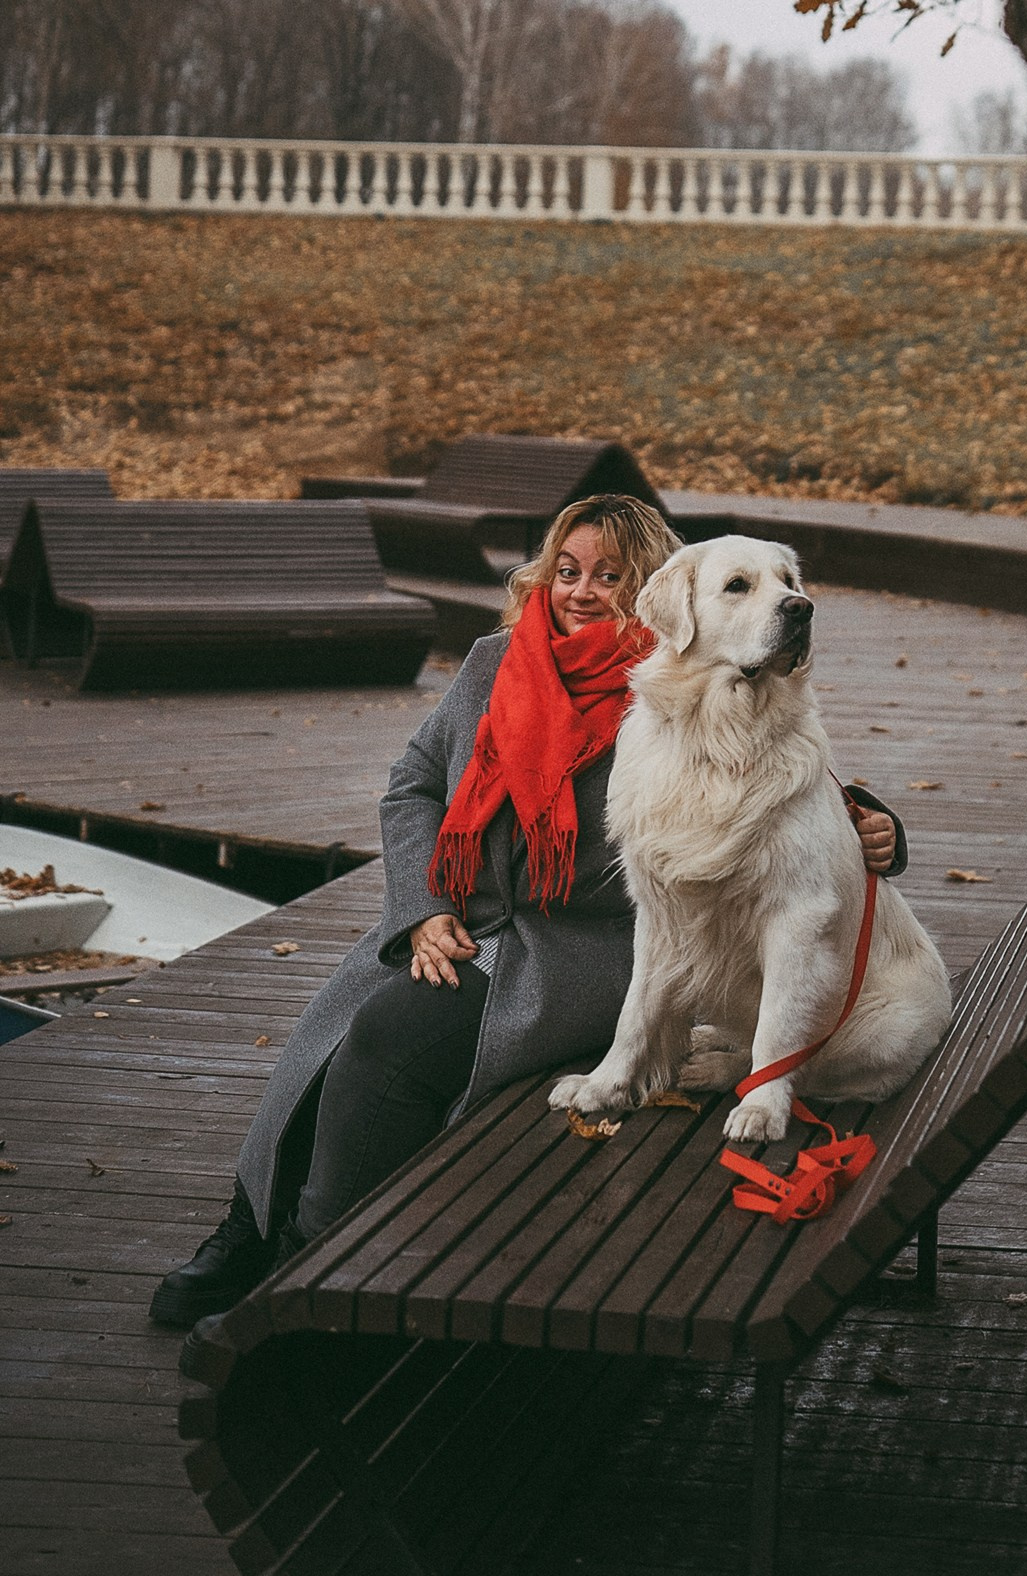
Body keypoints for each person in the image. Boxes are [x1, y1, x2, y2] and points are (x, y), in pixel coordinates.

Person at [151, 493, 903, 1330]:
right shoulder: (496, 660)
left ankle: (308, 1274)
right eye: (567, 571)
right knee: (324, 1040)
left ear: (656, 592)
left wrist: (876, 827)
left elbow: (784, 781)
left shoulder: (676, 687)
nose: (582, 592)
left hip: (575, 951)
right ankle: (249, 1232)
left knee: (388, 1041)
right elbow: (414, 785)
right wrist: (424, 909)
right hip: (460, 920)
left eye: (610, 577)